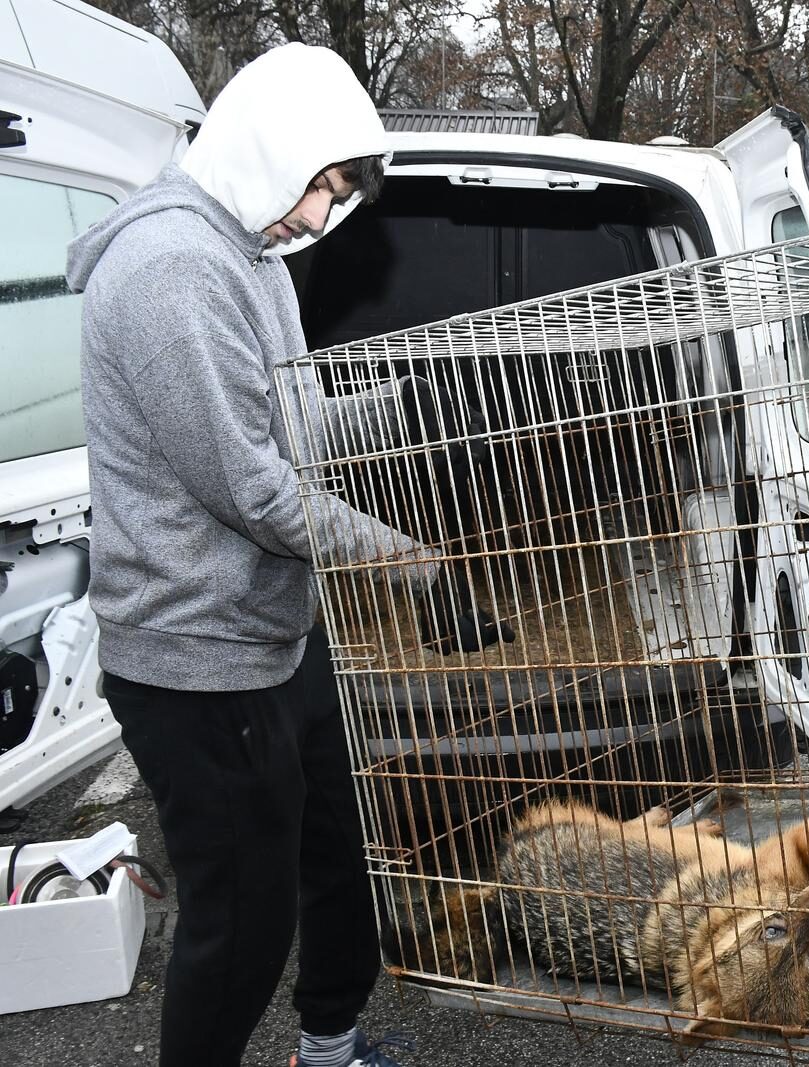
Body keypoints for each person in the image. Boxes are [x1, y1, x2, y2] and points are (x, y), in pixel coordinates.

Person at [65, 43, 503, 1067]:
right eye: (320, 185)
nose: (316, 217)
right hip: (200, 658)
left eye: (337, 195)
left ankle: (331, 1043)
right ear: (268, 144)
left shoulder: (247, 251)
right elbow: (254, 488)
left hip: (274, 631)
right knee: (241, 924)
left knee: (334, 853)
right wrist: (416, 563)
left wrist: (412, 408)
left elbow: (285, 428)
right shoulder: (175, 271)